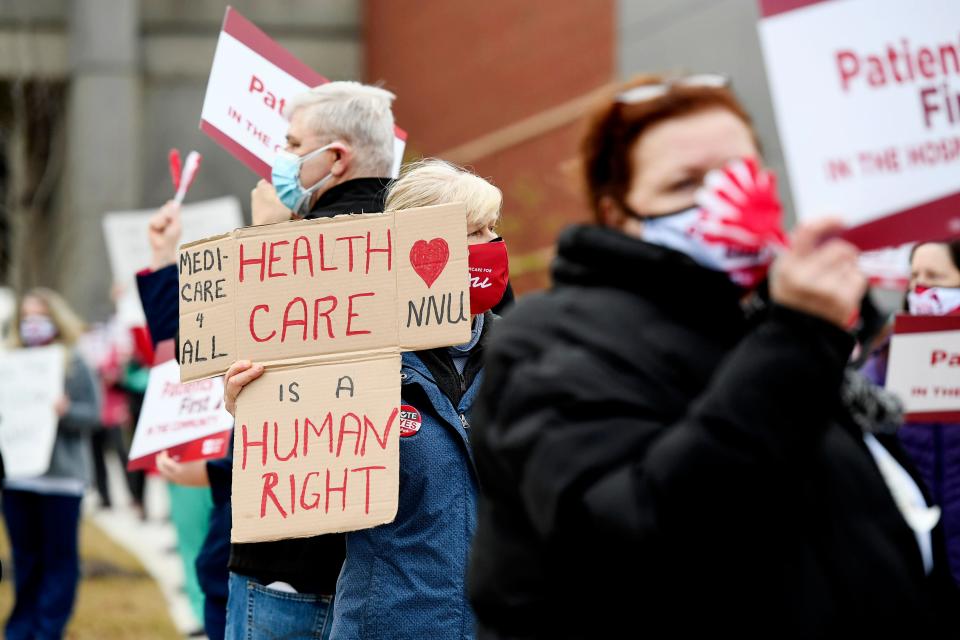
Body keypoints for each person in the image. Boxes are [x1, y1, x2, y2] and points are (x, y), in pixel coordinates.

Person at [467, 74, 959, 638]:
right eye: (684, 185)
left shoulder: (764, 325)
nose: (721, 200)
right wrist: (797, 339)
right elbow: (632, 534)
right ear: (619, 212)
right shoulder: (552, 341)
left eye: (737, 174)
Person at [138, 80, 400, 639]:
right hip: (392, 568)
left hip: (286, 565)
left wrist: (266, 241)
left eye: (291, 142)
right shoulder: (422, 244)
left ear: (334, 158)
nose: (278, 159)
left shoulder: (289, 253)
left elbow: (197, 347)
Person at [2, 288, 100, 639]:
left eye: (38, 318)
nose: (32, 325)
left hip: (62, 480)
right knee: (25, 560)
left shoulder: (74, 363)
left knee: (59, 560)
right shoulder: (9, 364)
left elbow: (95, 415)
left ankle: (48, 629)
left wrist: (66, 411)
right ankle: (20, 628)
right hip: (18, 479)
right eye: (26, 318)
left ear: (56, 320)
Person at [862, 240, 960, 585]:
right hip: (920, 553)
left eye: (935, 277)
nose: (920, 287)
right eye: (914, 277)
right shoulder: (886, 358)